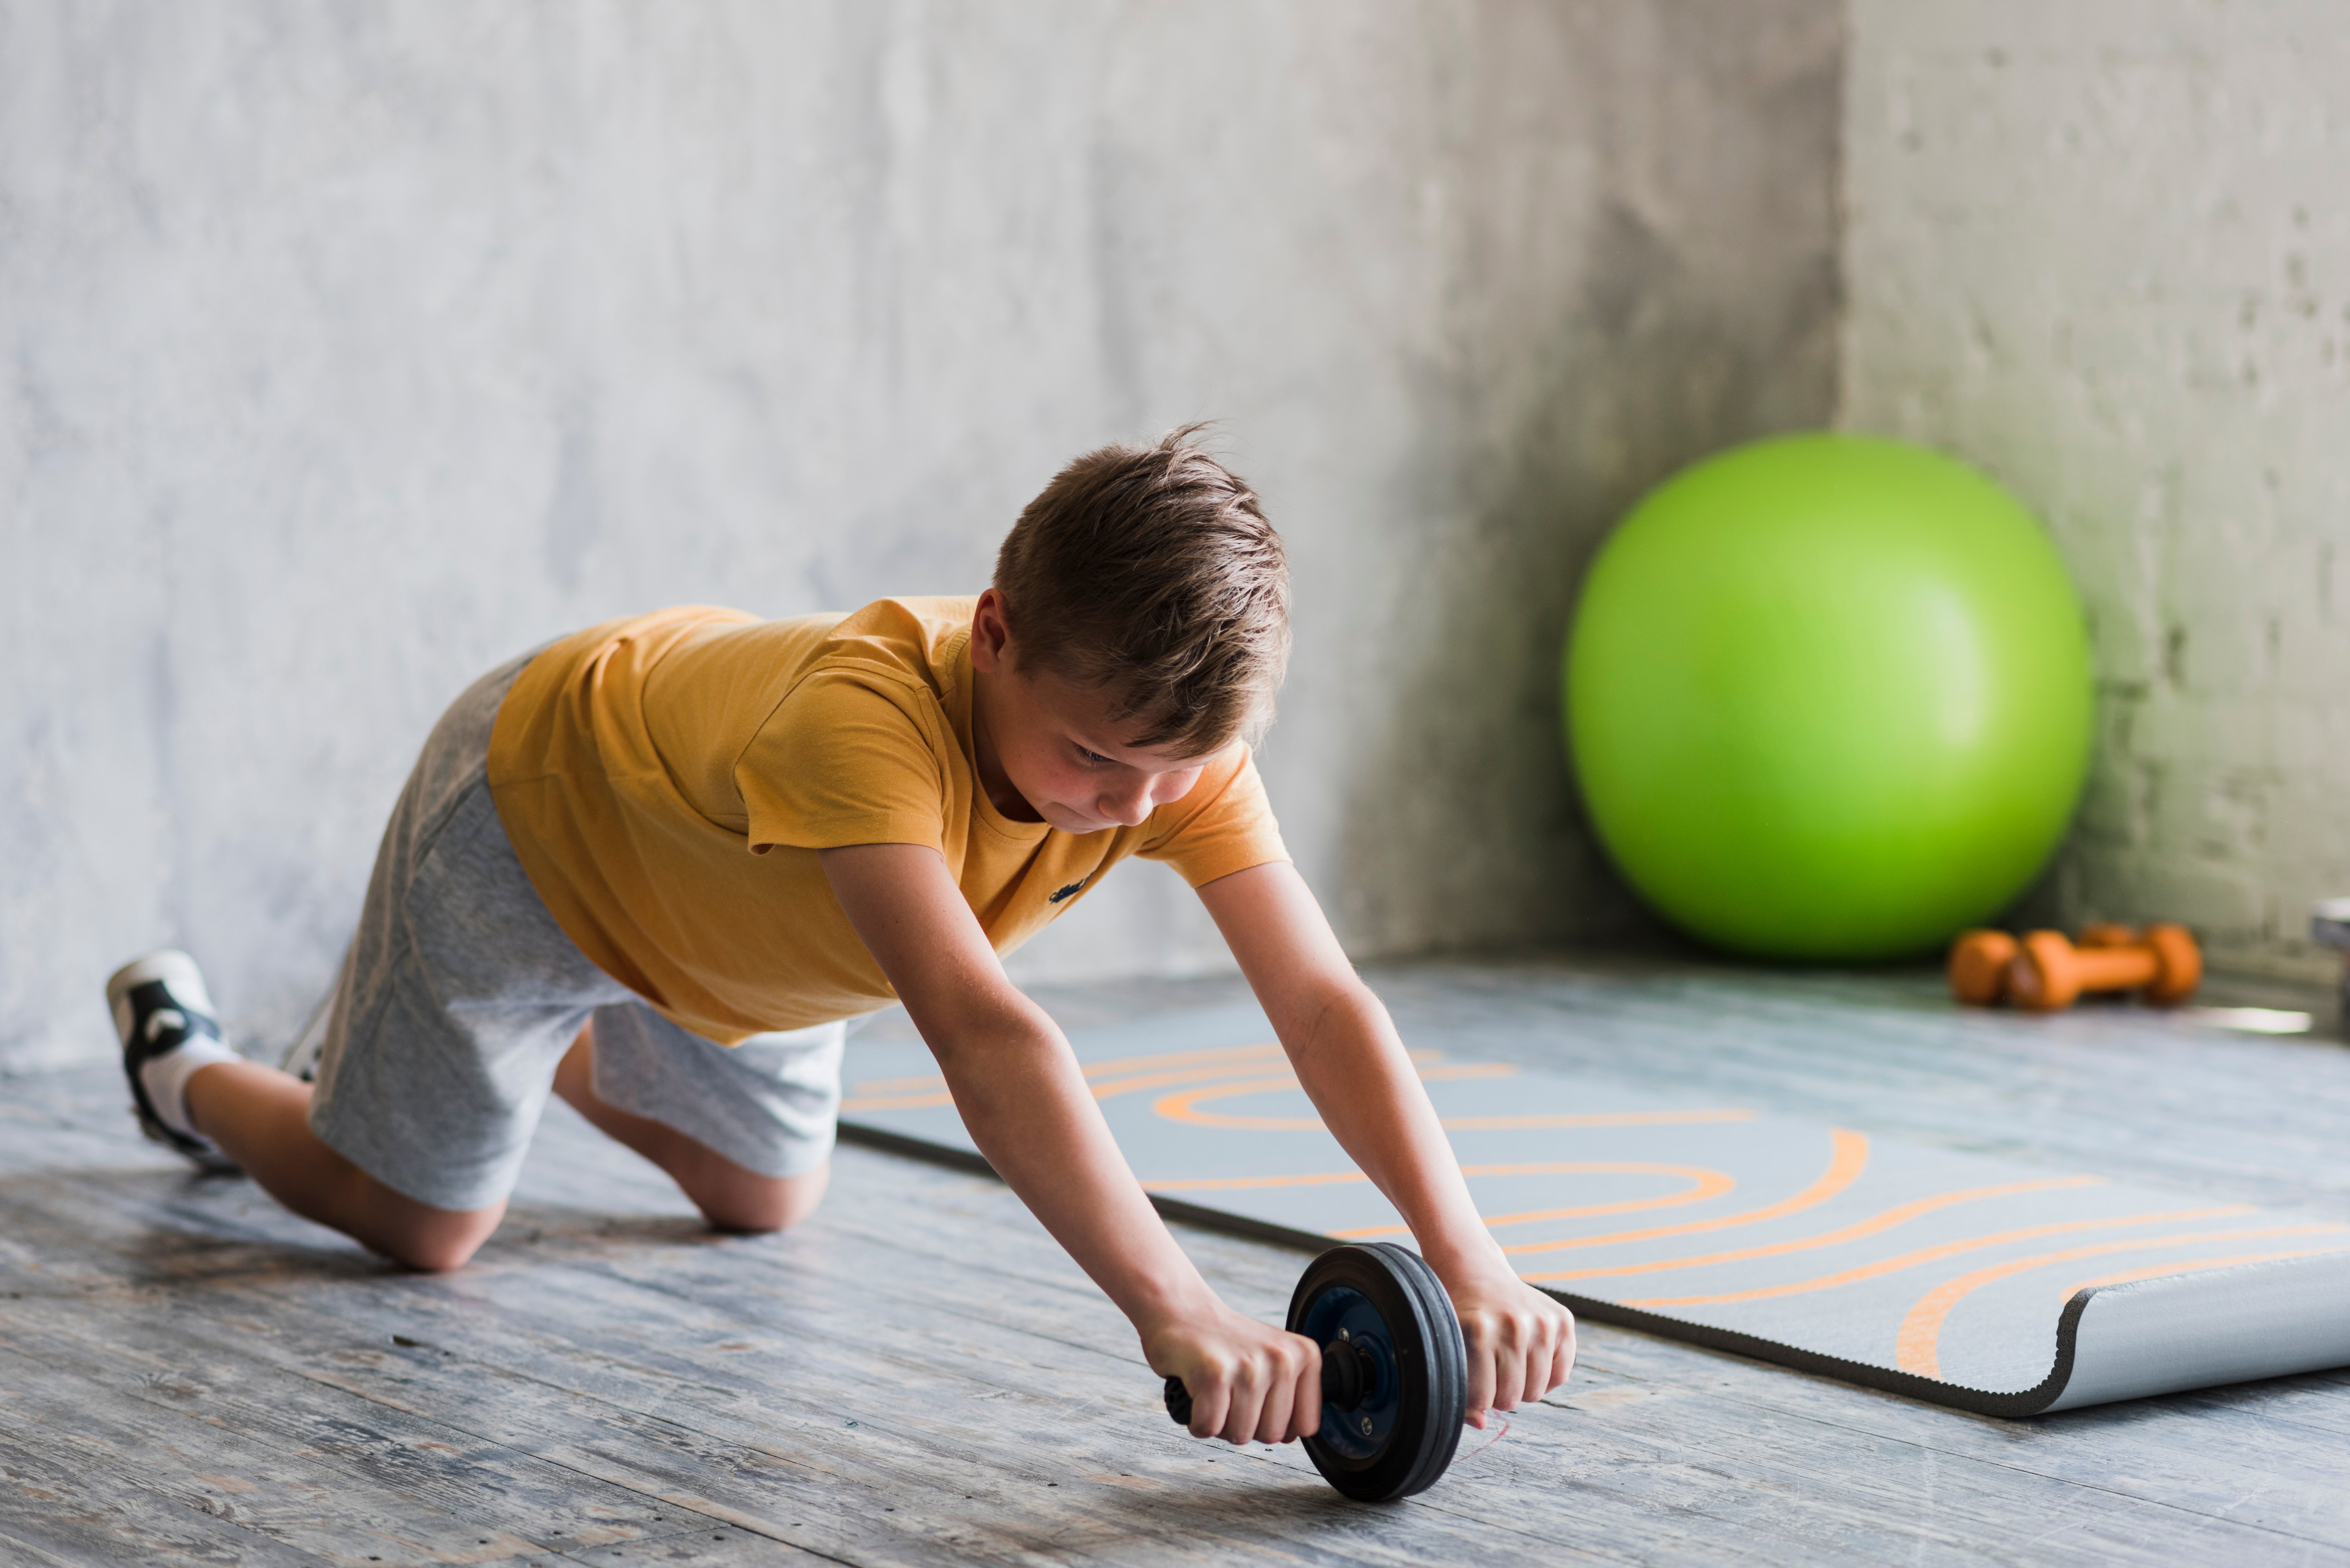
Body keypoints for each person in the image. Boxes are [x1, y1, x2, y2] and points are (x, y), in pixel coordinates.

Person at [105, 427, 1576, 1448]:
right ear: (994, 633)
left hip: (731, 923)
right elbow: (984, 1033)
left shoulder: (1169, 754)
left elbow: (1320, 1004)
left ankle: (492, 1052)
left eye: (1170, 776)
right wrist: (1179, 1310)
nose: (1128, 811)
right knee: (428, 1230)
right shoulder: (863, 726)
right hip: (540, 826)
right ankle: (188, 1061)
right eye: (1091, 765)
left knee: (766, 1203)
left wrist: (1471, 1262)